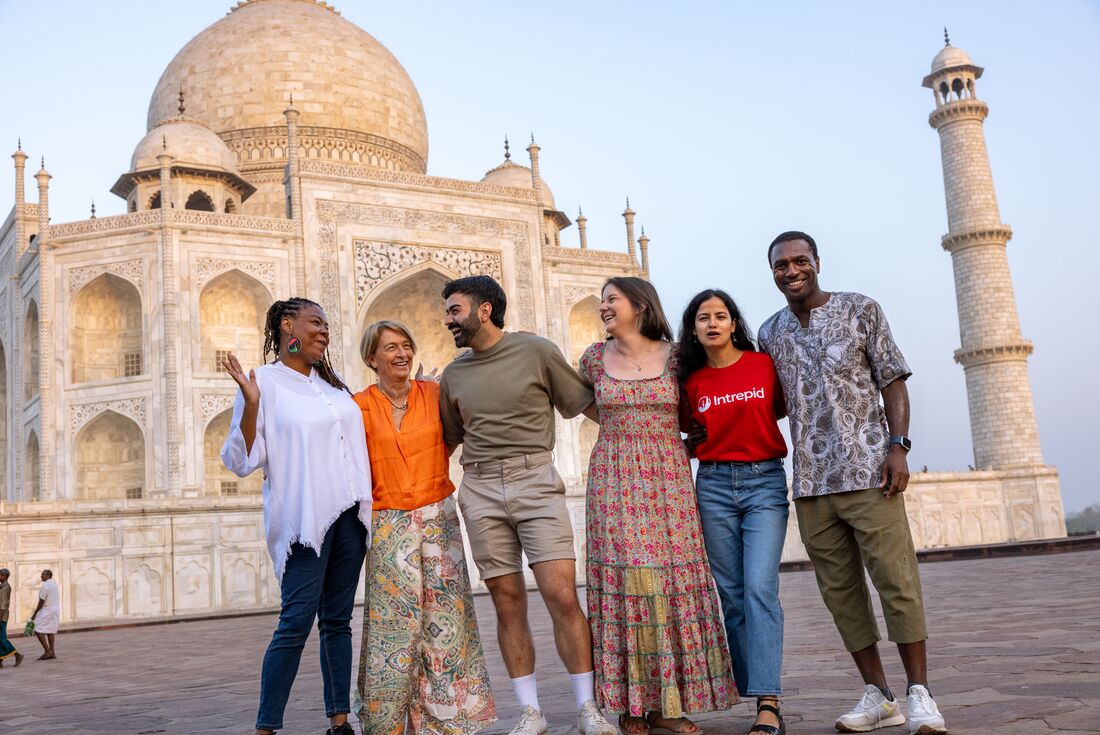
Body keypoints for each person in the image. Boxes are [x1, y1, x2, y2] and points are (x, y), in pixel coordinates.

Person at [757, 232, 946, 735]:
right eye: (781, 265)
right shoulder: (769, 332)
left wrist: (898, 446)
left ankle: (920, 693)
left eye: (800, 261)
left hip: (869, 472)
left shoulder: (860, 309)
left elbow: (892, 379)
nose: (791, 270)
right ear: (772, 272)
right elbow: (768, 402)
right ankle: (879, 695)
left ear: (817, 262)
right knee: (841, 595)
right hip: (812, 483)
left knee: (896, 582)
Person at [438, 275, 616, 735]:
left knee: (562, 595)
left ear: (483, 310)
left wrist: (648, 435)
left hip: (534, 479)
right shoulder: (454, 373)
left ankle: (587, 707)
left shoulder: (536, 351)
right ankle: (530, 712)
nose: (448, 320)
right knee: (507, 601)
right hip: (480, 487)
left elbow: (585, 404)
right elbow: (447, 440)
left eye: (455, 310)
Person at [579, 277, 737, 735]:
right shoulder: (593, 358)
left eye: (612, 299)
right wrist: (623, 426)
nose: (603, 306)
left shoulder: (678, 356)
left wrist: (688, 441)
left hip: (667, 480)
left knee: (667, 583)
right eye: (602, 300)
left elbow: (708, 400)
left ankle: (667, 706)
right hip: (613, 480)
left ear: (640, 306)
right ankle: (631, 704)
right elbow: (580, 402)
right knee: (627, 582)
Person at [221, 297, 373, 735]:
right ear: (288, 325)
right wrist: (251, 404)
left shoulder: (333, 387)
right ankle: (266, 726)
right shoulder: (263, 383)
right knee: (295, 622)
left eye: (326, 325)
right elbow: (242, 459)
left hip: (351, 516)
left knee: (337, 622)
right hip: (306, 522)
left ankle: (339, 721)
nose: (323, 331)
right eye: (315, 323)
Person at [353, 319, 496, 735]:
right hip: (388, 521)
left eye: (406, 345)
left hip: (437, 517)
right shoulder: (358, 406)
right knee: (393, 626)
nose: (401, 353)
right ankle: (386, 724)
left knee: (445, 621)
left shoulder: (433, 394)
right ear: (372, 358)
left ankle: (443, 723)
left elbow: (456, 435)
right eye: (391, 347)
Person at [676, 289, 789, 735]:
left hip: (764, 483)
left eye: (721, 316)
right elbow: (690, 432)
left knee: (760, 587)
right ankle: (753, 686)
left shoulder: (763, 366)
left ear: (734, 324)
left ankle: (768, 701)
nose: (713, 323)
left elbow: (779, 411)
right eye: (703, 318)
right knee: (734, 595)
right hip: (715, 486)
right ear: (693, 330)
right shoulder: (692, 382)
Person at [29, 569, 60, 660]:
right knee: (50, 630)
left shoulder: (45, 585)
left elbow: (41, 601)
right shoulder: (54, 583)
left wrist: (35, 613)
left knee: (37, 629)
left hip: (47, 609)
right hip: (55, 609)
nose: (41, 576)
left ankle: (47, 651)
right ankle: (52, 652)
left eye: (43, 574)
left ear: (48, 576)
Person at [0, 568, 24, 668]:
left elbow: (2, 606)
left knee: (2, 639)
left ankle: (17, 655)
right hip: (2, 615)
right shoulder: (2, 586)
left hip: (2, 616)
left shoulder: (5, 588)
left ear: (4, 576)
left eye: (0, 575)